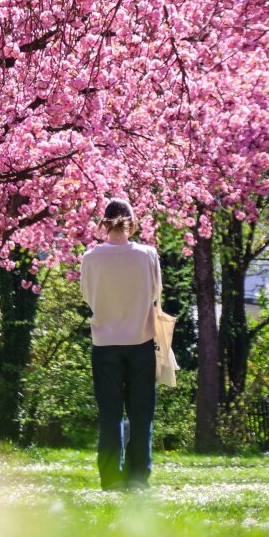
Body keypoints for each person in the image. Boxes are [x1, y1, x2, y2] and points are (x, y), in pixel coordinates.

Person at [79, 197, 162, 490]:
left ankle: (111, 476)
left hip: (105, 342)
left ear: (104, 221)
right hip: (141, 338)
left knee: (110, 414)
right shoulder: (147, 255)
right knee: (141, 414)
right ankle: (138, 475)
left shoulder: (91, 258)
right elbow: (155, 292)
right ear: (132, 221)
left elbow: (88, 296)